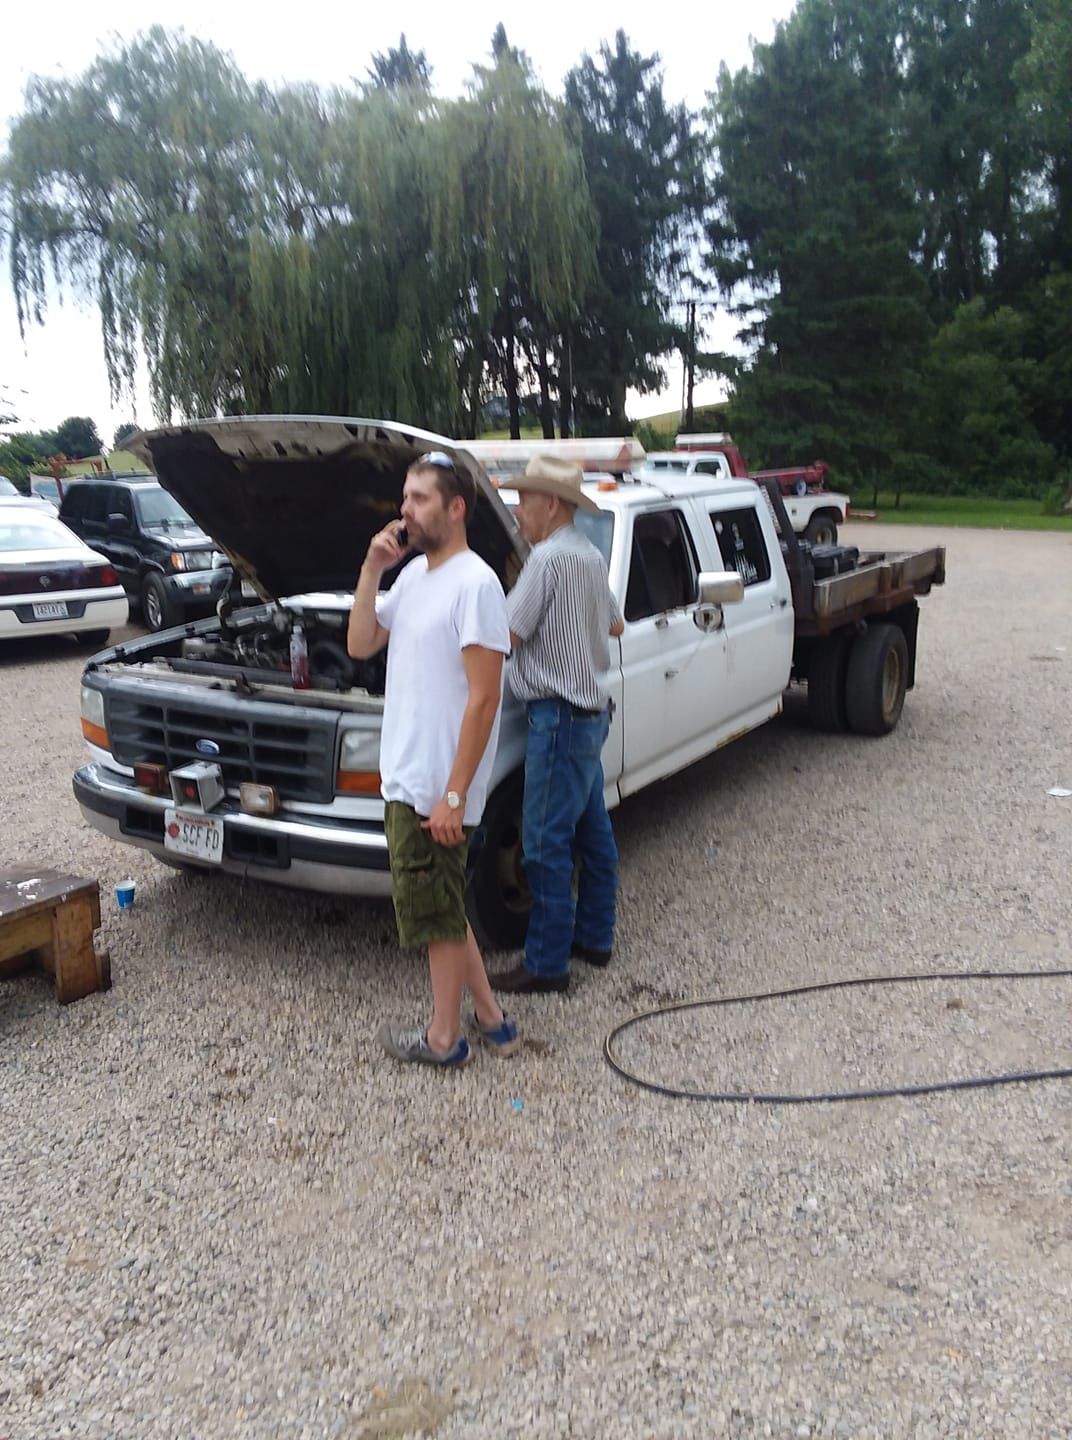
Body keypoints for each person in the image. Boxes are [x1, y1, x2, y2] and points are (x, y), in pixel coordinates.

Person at [347, 450, 518, 1066]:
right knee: (443, 904)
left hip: (438, 789)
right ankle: (492, 1017)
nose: (406, 510)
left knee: (436, 917)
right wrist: (372, 569)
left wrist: (454, 794)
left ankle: (444, 1039)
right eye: (405, 497)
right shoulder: (415, 576)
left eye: (420, 498)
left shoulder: (475, 584)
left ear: (456, 508)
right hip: (409, 777)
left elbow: (485, 698)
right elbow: (361, 641)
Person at [491, 455, 624, 995]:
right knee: (594, 836)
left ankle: (547, 965)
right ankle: (594, 938)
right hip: (590, 718)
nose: (517, 511)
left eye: (524, 500)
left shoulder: (546, 561)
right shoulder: (590, 557)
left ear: (551, 504)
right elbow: (614, 623)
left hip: (558, 719)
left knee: (543, 846)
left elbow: (505, 635)